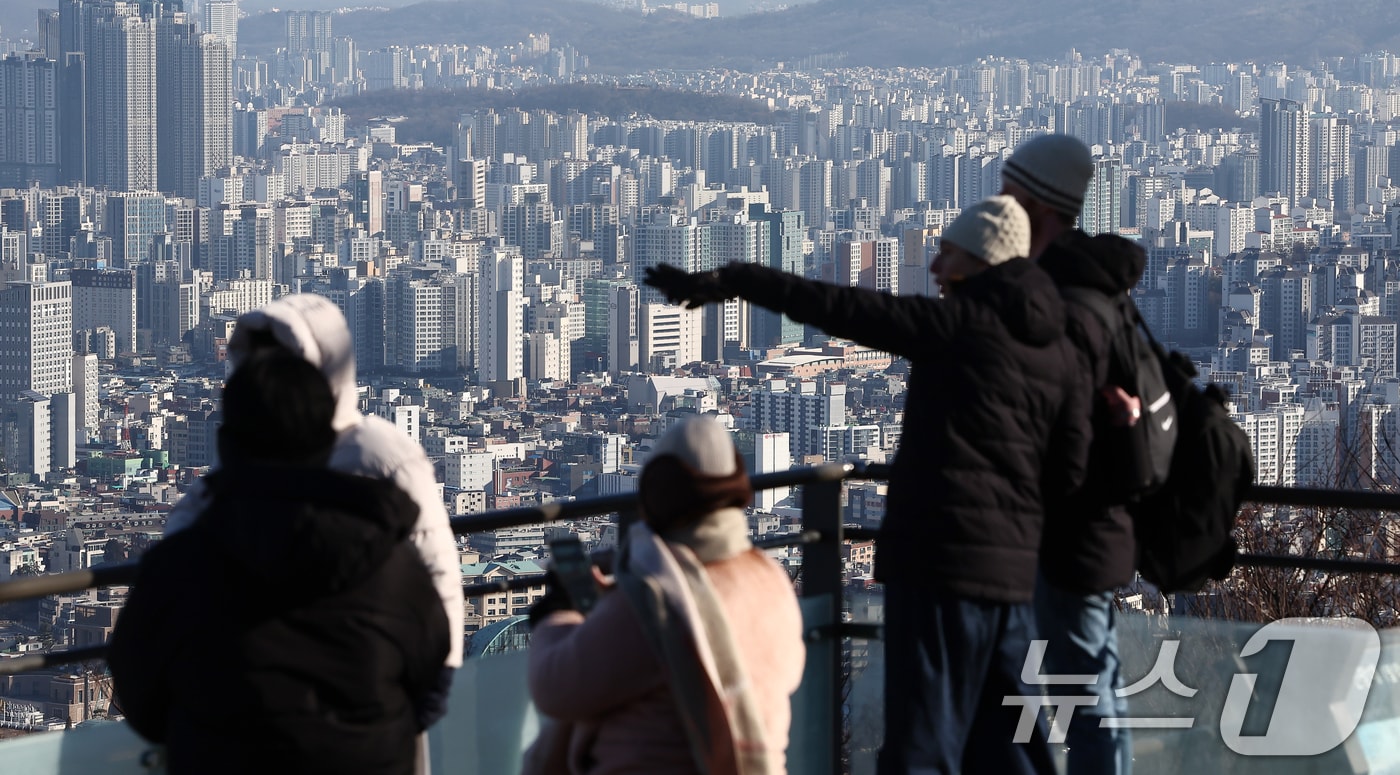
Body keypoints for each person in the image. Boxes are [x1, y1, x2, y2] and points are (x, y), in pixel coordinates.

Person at [645, 196, 1090, 775]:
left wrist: (734, 280)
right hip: (1012, 579)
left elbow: (842, 307)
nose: (934, 269)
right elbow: (1072, 470)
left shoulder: (955, 327)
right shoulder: (1059, 351)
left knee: (921, 743)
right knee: (1012, 747)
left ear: (979, 262)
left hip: (937, 564)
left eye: (947, 255)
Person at [108, 349, 451, 775]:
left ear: (228, 444)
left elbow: (140, 698)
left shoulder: (177, 568)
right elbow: (432, 682)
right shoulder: (392, 566)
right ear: (328, 443)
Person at [164, 293, 465, 677]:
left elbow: (436, 573)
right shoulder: (248, 451)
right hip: (278, 685)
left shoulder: (378, 451)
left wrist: (436, 679)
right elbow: (182, 545)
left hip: (354, 679)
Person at [525, 415, 805, 775]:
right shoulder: (770, 579)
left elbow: (555, 685)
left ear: (657, 496)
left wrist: (558, 610)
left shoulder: (657, 602)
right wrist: (616, 597)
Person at [1000, 133, 1148, 775]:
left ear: (1040, 205)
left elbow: (1062, 420)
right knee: (1069, 686)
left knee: (1082, 693)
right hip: (1081, 529)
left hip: (1070, 531)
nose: (999, 207)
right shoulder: (1096, 285)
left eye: (1010, 195)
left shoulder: (1064, 299)